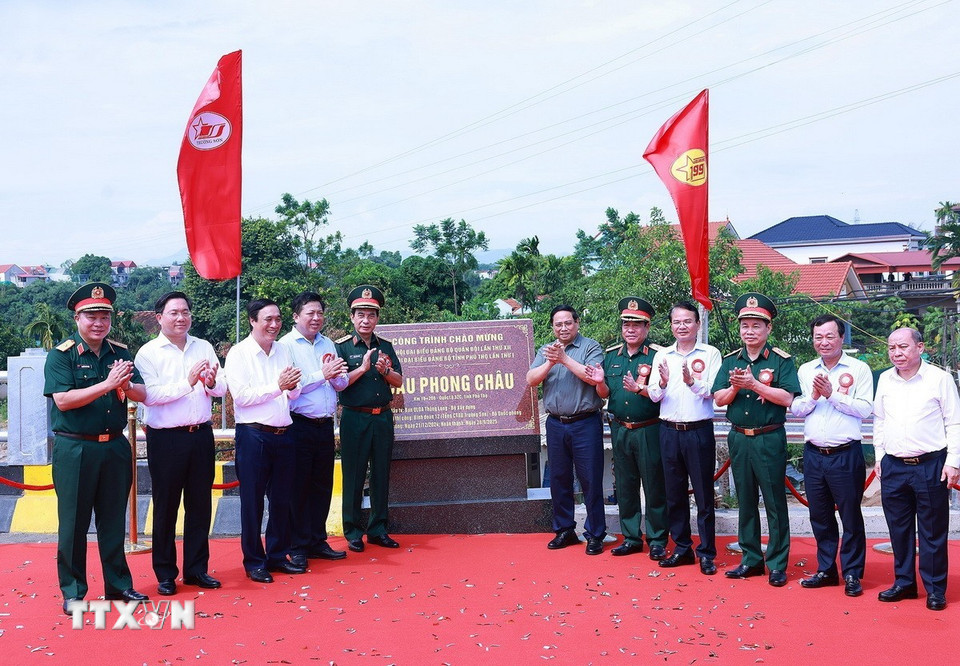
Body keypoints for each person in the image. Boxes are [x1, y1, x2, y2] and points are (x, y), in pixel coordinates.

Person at [43, 282, 149, 615]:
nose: (98, 323)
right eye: (91, 316)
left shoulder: (120, 353)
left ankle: (118, 586)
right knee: (73, 524)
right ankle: (73, 591)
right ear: (77, 318)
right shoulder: (61, 356)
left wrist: (127, 386)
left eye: (104, 316)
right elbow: (62, 400)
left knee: (113, 520)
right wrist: (107, 384)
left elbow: (142, 393)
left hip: (114, 447)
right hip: (76, 449)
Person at [134, 291, 226, 596]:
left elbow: (222, 387)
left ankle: (197, 569)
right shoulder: (148, 353)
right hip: (166, 438)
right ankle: (165, 573)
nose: (181, 317)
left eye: (185, 312)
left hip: (200, 434)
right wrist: (188, 382)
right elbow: (151, 395)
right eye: (174, 312)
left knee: (200, 505)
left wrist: (210, 382)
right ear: (159, 317)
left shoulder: (204, 346)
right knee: (166, 507)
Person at [712, 293, 800, 587]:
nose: (749, 331)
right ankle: (750, 559)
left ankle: (776, 563)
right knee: (746, 501)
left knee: (775, 502)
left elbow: (787, 398)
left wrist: (755, 384)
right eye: (745, 326)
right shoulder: (730, 361)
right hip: (739, 437)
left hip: (769, 437)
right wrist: (737, 388)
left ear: (768, 329)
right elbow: (719, 398)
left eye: (756, 326)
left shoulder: (781, 361)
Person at [873, 327, 960, 611]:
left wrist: (953, 462)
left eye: (903, 347)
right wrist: (879, 455)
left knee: (933, 530)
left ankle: (935, 589)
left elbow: (954, 422)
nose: (896, 353)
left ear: (920, 347)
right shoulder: (885, 379)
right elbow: (880, 420)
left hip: (930, 464)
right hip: (894, 465)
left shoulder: (940, 379)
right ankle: (904, 582)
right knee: (898, 529)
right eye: (891, 348)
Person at [790, 314, 872, 597]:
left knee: (850, 515)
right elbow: (797, 409)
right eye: (818, 337)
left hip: (845, 454)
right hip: (814, 454)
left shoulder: (859, 369)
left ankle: (852, 572)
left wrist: (832, 394)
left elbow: (864, 409)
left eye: (829, 336)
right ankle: (826, 569)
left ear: (841, 338)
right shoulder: (805, 369)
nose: (823, 342)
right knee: (820, 515)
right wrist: (813, 395)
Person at [225, 298, 303, 583]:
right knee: (253, 502)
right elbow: (242, 397)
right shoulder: (238, 353)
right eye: (267, 319)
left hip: (284, 432)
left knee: (282, 499)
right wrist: (278, 386)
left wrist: (292, 387)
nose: (274, 325)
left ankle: (277, 554)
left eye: (278, 319)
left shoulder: (283, 350)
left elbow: (294, 391)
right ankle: (254, 561)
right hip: (254, 434)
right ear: (252, 321)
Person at [647, 301, 723, 574]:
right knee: (674, 495)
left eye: (687, 321)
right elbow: (654, 395)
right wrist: (664, 383)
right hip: (668, 431)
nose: (682, 326)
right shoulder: (662, 355)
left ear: (697, 324)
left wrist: (692, 382)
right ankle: (682, 548)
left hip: (699, 431)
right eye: (677, 322)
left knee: (703, 495)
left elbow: (713, 392)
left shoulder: (711, 353)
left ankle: (706, 553)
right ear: (671, 326)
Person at [527, 305, 606, 555]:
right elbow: (531, 379)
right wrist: (551, 362)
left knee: (590, 479)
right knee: (559, 479)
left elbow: (593, 377)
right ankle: (564, 529)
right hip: (556, 423)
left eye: (568, 323)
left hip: (585, 422)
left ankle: (595, 533)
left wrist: (564, 359)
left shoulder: (590, 347)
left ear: (577, 323)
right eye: (558, 324)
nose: (563, 328)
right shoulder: (546, 350)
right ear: (553, 326)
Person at [278, 292, 349, 567]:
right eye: (310, 313)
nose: (316, 318)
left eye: (320, 313)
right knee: (298, 486)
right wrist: (324, 374)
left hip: (324, 426)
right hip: (298, 425)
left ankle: (317, 540)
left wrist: (337, 376)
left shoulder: (327, 342)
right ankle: (297, 545)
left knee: (322, 485)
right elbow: (294, 385)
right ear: (296, 316)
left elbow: (339, 383)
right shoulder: (286, 346)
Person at [594, 297, 668, 560]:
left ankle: (658, 539)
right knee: (625, 485)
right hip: (620, 428)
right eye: (626, 324)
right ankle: (632, 538)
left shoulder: (659, 356)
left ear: (647, 328)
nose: (631, 330)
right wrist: (600, 382)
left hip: (649, 428)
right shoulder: (611, 356)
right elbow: (603, 393)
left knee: (654, 485)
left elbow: (662, 392)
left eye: (637, 325)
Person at [335, 285, 404, 552]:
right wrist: (363, 369)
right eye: (361, 315)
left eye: (371, 315)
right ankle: (353, 531)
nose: (366, 320)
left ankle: (378, 529)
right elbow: (339, 383)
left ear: (377, 318)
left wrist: (385, 371)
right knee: (353, 474)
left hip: (382, 417)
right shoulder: (341, 348)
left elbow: (399, 380)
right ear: (352, 317)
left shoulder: (385, 346)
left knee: (380, 474)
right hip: (355, 417)